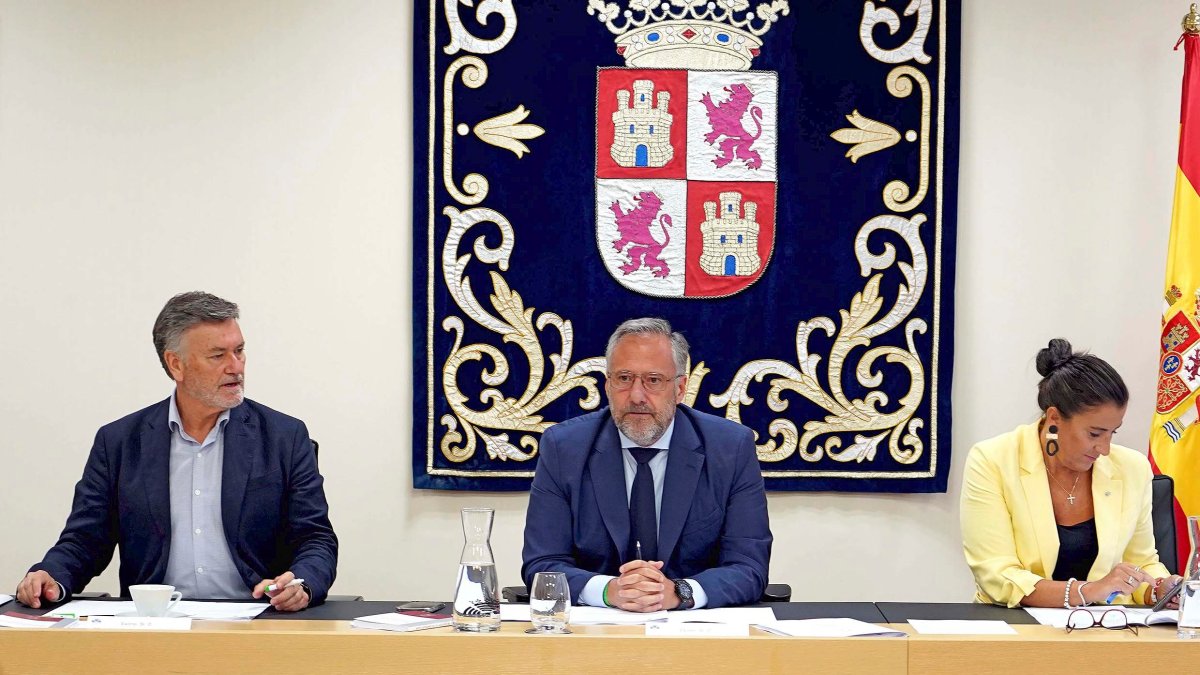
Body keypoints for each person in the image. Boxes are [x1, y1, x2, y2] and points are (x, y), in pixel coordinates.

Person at [15, 292, 337, 612]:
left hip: (255, 619)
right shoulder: (120, 442)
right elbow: (85, 540)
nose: (235, 366)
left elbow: (315, 538)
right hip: (154, 626)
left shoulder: (284, 437)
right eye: (217, 355)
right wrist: (52, 576)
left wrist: (302, 583)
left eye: (239, 351)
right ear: (176, 364)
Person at [521, 318, 772, 611]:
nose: (637, 396)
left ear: (680, 389)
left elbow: (749, 567)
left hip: (697, 638)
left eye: (653, 380)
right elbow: (542, 564)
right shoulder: (564, 448)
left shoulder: (730, 448)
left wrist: (679, 592)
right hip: (594, 637)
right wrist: (609, 591)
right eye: (624, 379)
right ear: (607, 385)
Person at [961, 338, 1183, 608]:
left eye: (1113, 432)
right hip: (1014, 629)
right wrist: (1087, 591)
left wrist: (1159, 589)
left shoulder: (1132, 468)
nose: (1104, 448)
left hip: (1103, 634)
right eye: (1094, 433)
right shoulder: (992, 460)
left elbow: (1141, 562)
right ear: (1054, 419)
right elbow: (996, 575)